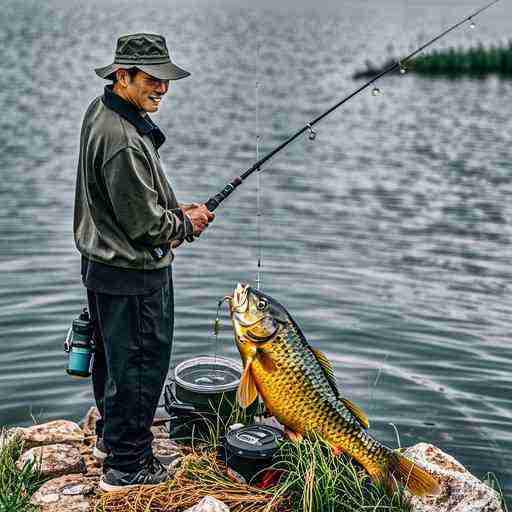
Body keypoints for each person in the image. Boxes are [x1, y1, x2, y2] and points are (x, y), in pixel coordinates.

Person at [73, 33, 215, 491]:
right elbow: (147, 229)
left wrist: (176, 212)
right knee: (139, 365)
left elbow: (133, 205)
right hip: (132, 275)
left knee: (114, 362)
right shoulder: (123, 141)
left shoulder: (102, 110)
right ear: (123, 76)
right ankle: (128, 467)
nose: (163, 88)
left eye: (166, 79)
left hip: (102, 266)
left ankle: (110, 441)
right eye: (153, 79)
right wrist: (185, 225)